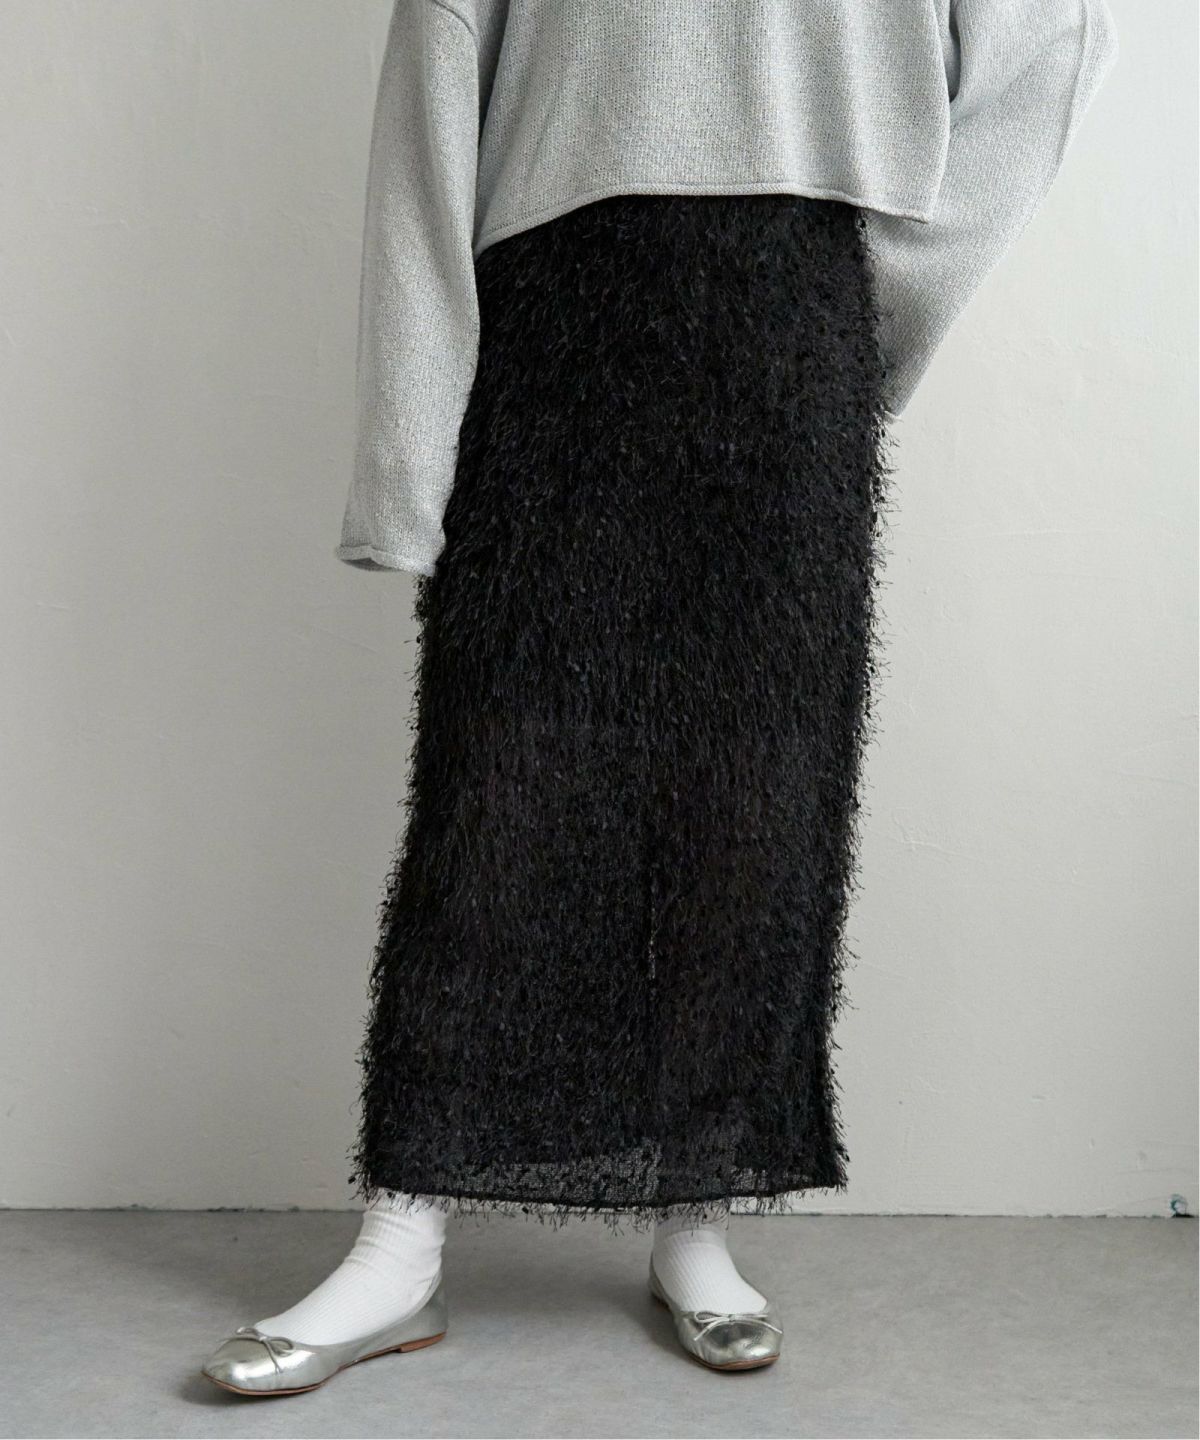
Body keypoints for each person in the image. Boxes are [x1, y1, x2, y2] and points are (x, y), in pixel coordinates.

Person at [201, 0, 1117, 1394]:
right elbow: (431, 104)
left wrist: (862, 303)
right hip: (554, 302)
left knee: (757, 792)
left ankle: (697, 1215)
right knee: (499, 783)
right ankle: (400, 1239)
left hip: (795, 312)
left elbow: (1047, 41)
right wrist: (403, 458)